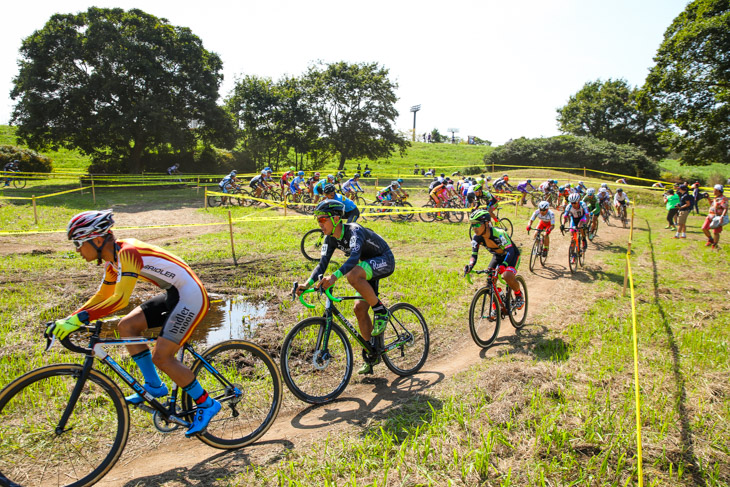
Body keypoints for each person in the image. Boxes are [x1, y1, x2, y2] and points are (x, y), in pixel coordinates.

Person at [49, 210, 219, 437]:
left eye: (78, 243)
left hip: (190, 295)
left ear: (97, 240)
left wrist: (79, 319)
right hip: (173, 293)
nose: (77, 250)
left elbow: (120, 300)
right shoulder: (113, 261)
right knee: (127, 327)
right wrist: (69, 319)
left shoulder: (127, 253)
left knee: (162, 356)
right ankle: (155, 386)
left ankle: (207, 404)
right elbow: (102, 296)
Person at [297, 200, 395, 375]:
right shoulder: (330, 238)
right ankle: (371, 353)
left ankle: (381, 311)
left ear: (336, 218)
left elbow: (353, 258)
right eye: (317, 220)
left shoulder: (354, 230)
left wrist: (334, 277)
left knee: (352, 274)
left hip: (384, 259)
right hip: (366, 267)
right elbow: (322, 265)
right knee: (359, 309)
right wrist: (306, 284)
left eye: (322, 219)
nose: (319, 223)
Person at [464, 208, 524, 313]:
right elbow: (474, 255)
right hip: (498, 256)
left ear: (487, 223)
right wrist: (470, 266)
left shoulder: (499, 233)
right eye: (472, 224)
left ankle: (519, 294)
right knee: (490, 280)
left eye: (477, 224)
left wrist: (504, 265)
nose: (474, 228)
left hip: (512, 255)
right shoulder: (476, 238)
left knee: (507, 276)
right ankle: (497, 303)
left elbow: (510, 251)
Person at [702, 184, 728, 249]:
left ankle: (715, 244)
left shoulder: (723, 198)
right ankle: (710, 239)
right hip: (710, 215)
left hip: (718, 217)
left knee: (716, 232)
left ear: (718, 190)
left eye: (714, 190)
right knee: (704, 228)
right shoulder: (716, 197)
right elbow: (712, 205)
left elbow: (725, 208)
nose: (713, 191)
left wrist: (722, 216)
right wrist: (708, 199)